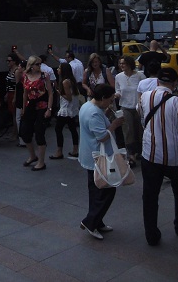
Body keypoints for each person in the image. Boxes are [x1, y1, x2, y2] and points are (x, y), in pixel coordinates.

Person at [139, 67, 178, 246]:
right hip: (175, 157)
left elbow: (142, 119)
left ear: (158, 82)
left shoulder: (144, 97)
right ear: (174, 83)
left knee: (150, 195)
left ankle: (151, 234)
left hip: (149, 155)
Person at [78, 83, 123, 240]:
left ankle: (97, 221)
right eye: (110, 100)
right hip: (98, 157)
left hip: (90, 156)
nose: (111, 103)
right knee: (107, 190)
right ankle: (90, 222)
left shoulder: (87, 107)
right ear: (103, 98)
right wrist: (114, 125)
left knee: (95, 191)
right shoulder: (94, 114)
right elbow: (102, 136)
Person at [20, 55, 53, 171]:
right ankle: (33, 155)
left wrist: (49, 109)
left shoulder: (44, 76)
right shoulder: (25, 76)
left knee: (39, 131)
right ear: (31, 65)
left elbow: (50, 93)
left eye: (40, 64)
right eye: (37, 64)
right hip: (30, 106)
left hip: (42, 106)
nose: (40, 66)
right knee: (25, 131)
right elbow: (25, 93)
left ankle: (41, 161)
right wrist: (23, 108)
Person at [114, 56, 145, 167]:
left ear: (130, 64)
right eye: (120, 63)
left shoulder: (140, 75)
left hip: (138, 107)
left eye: (124, 63)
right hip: (125, 107)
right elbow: (118, 90)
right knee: (128, 131)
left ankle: (139, 151)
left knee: (139, 130)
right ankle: (130, 155)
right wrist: (117, 94)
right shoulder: (118, 77)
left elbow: (144, 90)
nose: (121, 65)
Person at [49, 62, 80, 160]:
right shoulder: (71, 80)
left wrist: (59, 92)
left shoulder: (65, 82)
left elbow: (69, 97)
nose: (57, 70)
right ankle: (75, 150)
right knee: (72, 129)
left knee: (58, 129)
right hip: (72, 109)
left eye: (59, 68)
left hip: (66, 108)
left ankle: (59, 151)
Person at [4, 53, 22, 141]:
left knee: (15, 114)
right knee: (13, 114)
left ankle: (16, 133)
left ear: (14, 61)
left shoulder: (17, 71)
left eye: (9, 60)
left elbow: (17, 85)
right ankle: (15, 132)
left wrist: (15, 97)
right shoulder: (10, 70)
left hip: (14, 94)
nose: (7, 62)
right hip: (10, 93)